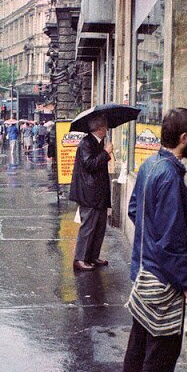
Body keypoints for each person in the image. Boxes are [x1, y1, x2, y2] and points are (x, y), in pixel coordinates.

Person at [120, 107, 187, 372]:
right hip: (162, 285)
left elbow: (134, 211)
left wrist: (150, 242)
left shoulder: (149, 165)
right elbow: (172, 242)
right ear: (183, 138)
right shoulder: (169, 177)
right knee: (158, 368)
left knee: (138, 357)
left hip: (144, 277)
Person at [69, 114, 113, 271]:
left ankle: (92, 255)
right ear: (100, 129)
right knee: (88, 226)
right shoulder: (87, 143)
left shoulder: (97, 142)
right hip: (89, 193)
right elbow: (89, 164)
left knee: (99, 225)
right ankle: (80, 258)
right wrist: (106, 153)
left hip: (98, 192)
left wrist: (105, 152)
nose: (107, 129)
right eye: (105, 127)